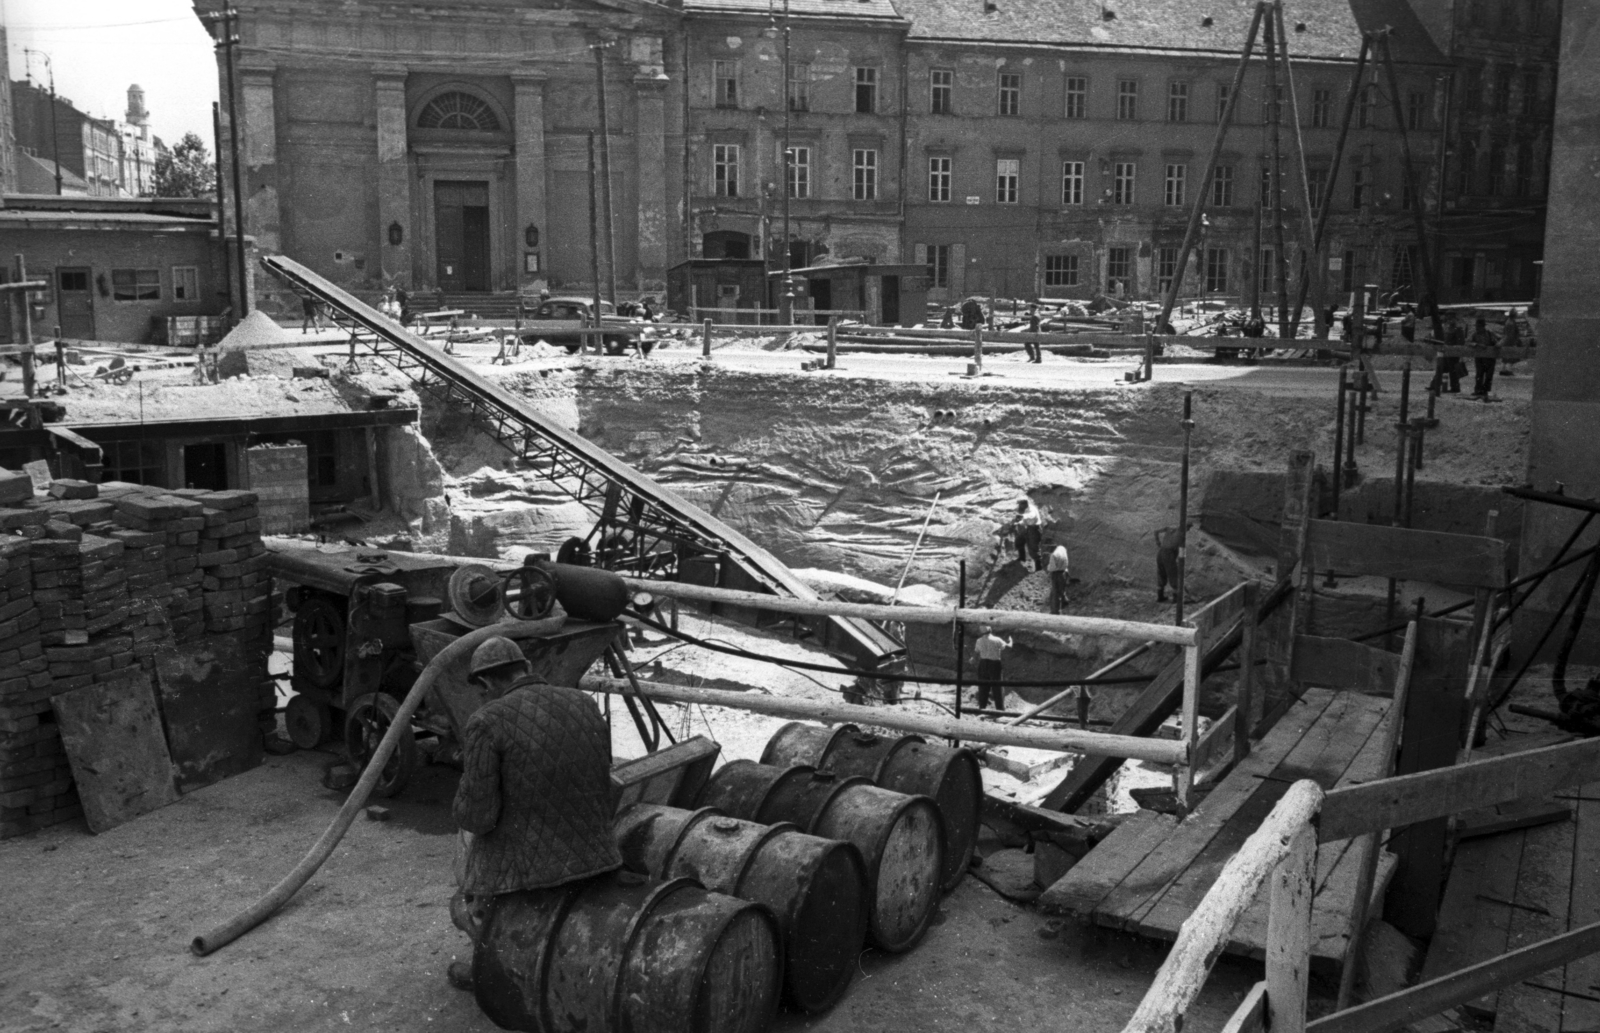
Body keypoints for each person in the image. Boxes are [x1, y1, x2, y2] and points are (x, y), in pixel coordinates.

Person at [447, 637, 623, 991]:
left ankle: (490, 968)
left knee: (465, 873)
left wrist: (467, 787)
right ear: (525, 668)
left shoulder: (487, 720)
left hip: (533, 866)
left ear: (486, 682)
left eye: (482, 690)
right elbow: (604, 776)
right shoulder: (583, 703)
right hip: (596, 851)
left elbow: (477, 817)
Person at [973, 626, 1011, 712]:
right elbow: (1006, 647)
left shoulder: (979, 641)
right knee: (997, 687)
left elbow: (976, 652)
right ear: (990, 630)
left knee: (983, 687)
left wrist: (973, 659)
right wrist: (1010, 641)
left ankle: (982, 708)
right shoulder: (997, 639)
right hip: (994, 664)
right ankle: (1000, 709)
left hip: (982, 664)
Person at [1008, 499, 1043, 570]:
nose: (1019, 506)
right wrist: (1017, 523)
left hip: (1034, 529)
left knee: (1033, 548)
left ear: (1024, 504)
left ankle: (1039, 567)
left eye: (1020, 504)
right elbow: (1024, 520)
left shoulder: (1032, 509)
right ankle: (1022, 558)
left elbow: (1031, 515)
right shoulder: (1024, 509)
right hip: (1027, 527)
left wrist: (1023, 516)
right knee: (1019, 541)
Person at [1469, 317, 1497, 398]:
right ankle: (1478, 391)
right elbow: (1467, 342)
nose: (1477, 328)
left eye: (1478, 327)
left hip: (1490, 358)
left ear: (1483, 326)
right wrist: (1477, 345)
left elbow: (1496, 342)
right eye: (1476, 327)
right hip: (1479, 358)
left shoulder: (1489, 333)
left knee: (1489, 376)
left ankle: (1486, 391)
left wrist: (1494, 345)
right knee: (1479, 375)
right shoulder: (1474, 334)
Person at [1046, 541, 1070, 615]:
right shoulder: (1062, 549)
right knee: (1061, 590)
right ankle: (1065, 603)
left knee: (1055, 593)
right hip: (1064, 573)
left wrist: (1048, 568)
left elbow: (1052, 568)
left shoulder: (1053, 555)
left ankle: (1055, 611)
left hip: (1056, 575)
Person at [1500, 308, 1521, 375]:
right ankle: (1507, 370)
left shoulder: (1509, 321)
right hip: (1509, 342)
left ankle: (1503, 369)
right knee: (1511, 356)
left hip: (1506, 342)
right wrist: (1514, 343)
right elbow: (1510, 335)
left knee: (1506, 357)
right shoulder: (1511, 323)